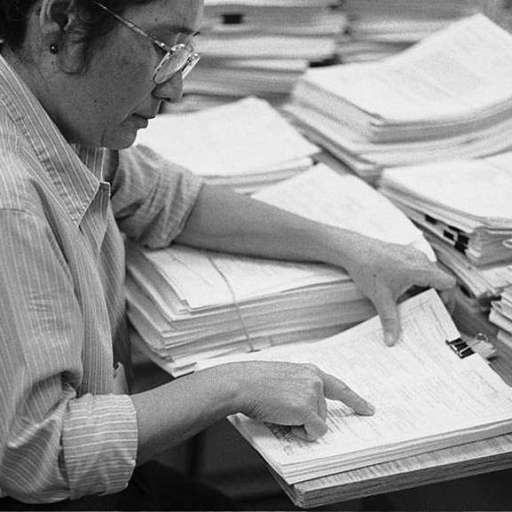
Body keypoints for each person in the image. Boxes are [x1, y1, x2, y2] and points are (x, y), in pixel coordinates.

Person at [0, 0, 456, 509]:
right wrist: (231, 386)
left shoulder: (58, 113)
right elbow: (39, 454)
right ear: (60, 22)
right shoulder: (12, 201)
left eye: (185, 52)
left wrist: (346, 247)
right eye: (162, 48)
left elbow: (167, 198)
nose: (174, 87)